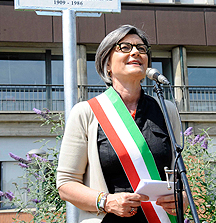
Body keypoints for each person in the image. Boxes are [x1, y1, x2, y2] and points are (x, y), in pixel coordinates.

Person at [56, 24, 188, 223]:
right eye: (125, 47)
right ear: (107, 64)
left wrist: (183, 198)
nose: (136, 52)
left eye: (141, 48)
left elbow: (179, 178)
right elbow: (66, 184)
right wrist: (106, 201)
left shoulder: (166, 109)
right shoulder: (86, 112)